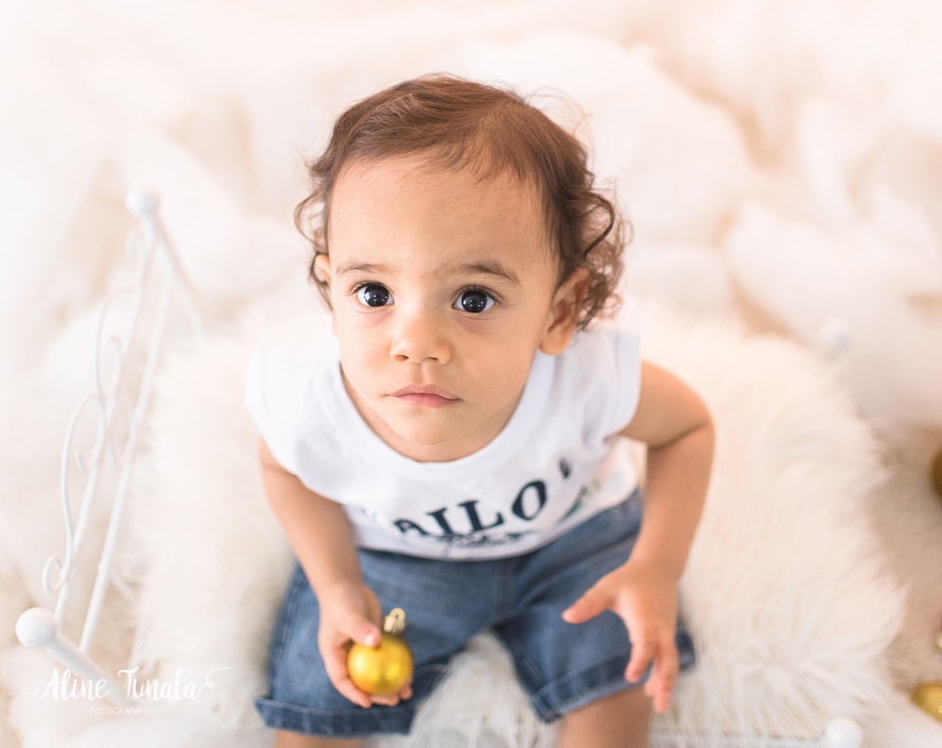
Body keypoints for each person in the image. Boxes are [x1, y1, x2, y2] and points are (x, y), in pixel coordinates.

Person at [245, 74, 714, 748]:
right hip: (396, 557)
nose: (415, 344)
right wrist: (338, 581)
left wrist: (657, 567)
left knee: (620, 686)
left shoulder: (582, 378)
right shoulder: (307, 399)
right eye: (374, 292)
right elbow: (284, 468)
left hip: (573, 543)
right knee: (320, 708)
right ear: (330, 287)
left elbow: (688, 428)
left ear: (557, 313)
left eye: (472, 299)